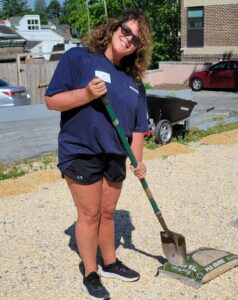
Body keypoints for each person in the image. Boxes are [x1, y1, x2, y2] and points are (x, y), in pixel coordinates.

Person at [45, 9, 152, 300]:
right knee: (90, 214)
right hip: (82, 151)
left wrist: (138, 160)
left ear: (138, 47)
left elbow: (139, 127)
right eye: (125, 30)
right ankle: (90, 273)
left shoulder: (135, 82)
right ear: (114, 28)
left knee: (107, 213)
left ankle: (110, 263)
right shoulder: (79, 58)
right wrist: (86, 95)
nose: (128, 38)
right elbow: (51, 101)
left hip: (115, 154)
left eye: (135, 38)